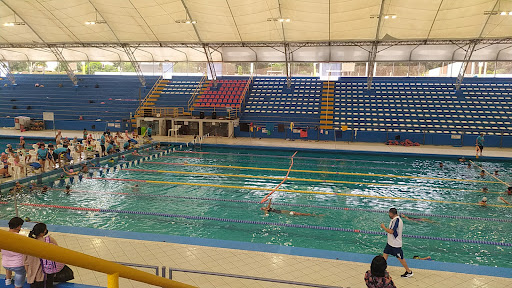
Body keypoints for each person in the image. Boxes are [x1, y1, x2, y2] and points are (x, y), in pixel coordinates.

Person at [380, 208, 413, 278]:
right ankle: (381, 269)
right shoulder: (396, 219)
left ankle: (409, 271)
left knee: (400, 258)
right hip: (390, 243)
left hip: (395, 245)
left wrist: (383, 227)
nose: (389, 215)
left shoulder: (396, 220)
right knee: (385, 255)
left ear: (391, 214)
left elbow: (391, 231)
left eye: (389, 214)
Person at [25, 223, 58, 288]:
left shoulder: (28, 243)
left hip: (32, 275)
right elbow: (57, 252)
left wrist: (29, 273)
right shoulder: (49, 240)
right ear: (44, 231)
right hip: (45, 274)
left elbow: (25, 261)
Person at [2, 217, 26, 288]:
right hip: (18, 266)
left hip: (5, 264)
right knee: (18, 284)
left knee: (8, 258)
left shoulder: (2, 236)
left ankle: (8, 280)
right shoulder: (21, 238)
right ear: (19, 226)